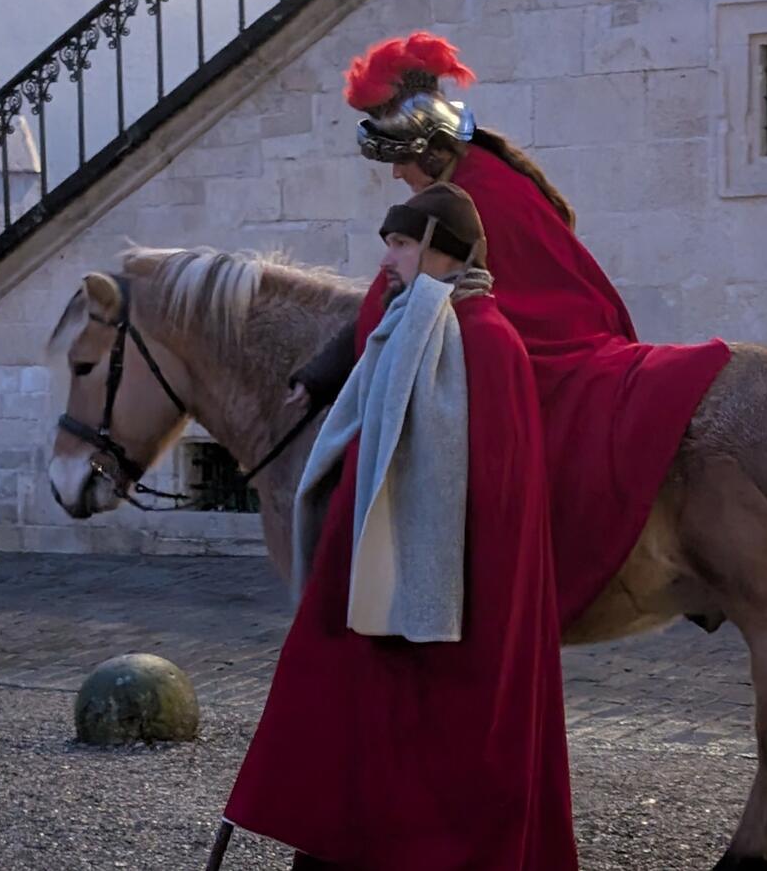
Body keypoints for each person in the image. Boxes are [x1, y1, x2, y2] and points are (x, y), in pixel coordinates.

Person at [290, 32, 732, 627]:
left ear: (430, 148)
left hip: (539, 343)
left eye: (400, 157)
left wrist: (327, 374)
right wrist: (322, 373)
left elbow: (405, 302)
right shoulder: (473, 180)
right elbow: (396, 301)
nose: (395, 174)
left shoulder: (469, 200)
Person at [224, 183, 579, 870]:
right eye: (389, 242)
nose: (387, 259)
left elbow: (492, 501)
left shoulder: (486, 342)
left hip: (455, 610)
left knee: (435, 757)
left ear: (446, 251)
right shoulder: (405, 328)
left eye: (403, 243)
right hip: (376, 582)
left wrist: (418, 575)